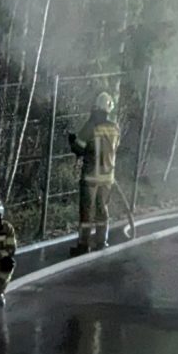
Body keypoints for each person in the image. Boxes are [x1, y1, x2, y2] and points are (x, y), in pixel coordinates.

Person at [67, 92, 121, 253]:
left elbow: (79, 148)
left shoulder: (91, 126)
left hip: (91, 176)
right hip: (108, 177)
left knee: (87, 212)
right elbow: (114, 148)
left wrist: (72, 140)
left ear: (96, 107)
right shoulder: (115, 128)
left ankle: (83, 245)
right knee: (102, 210)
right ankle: (101, 241)